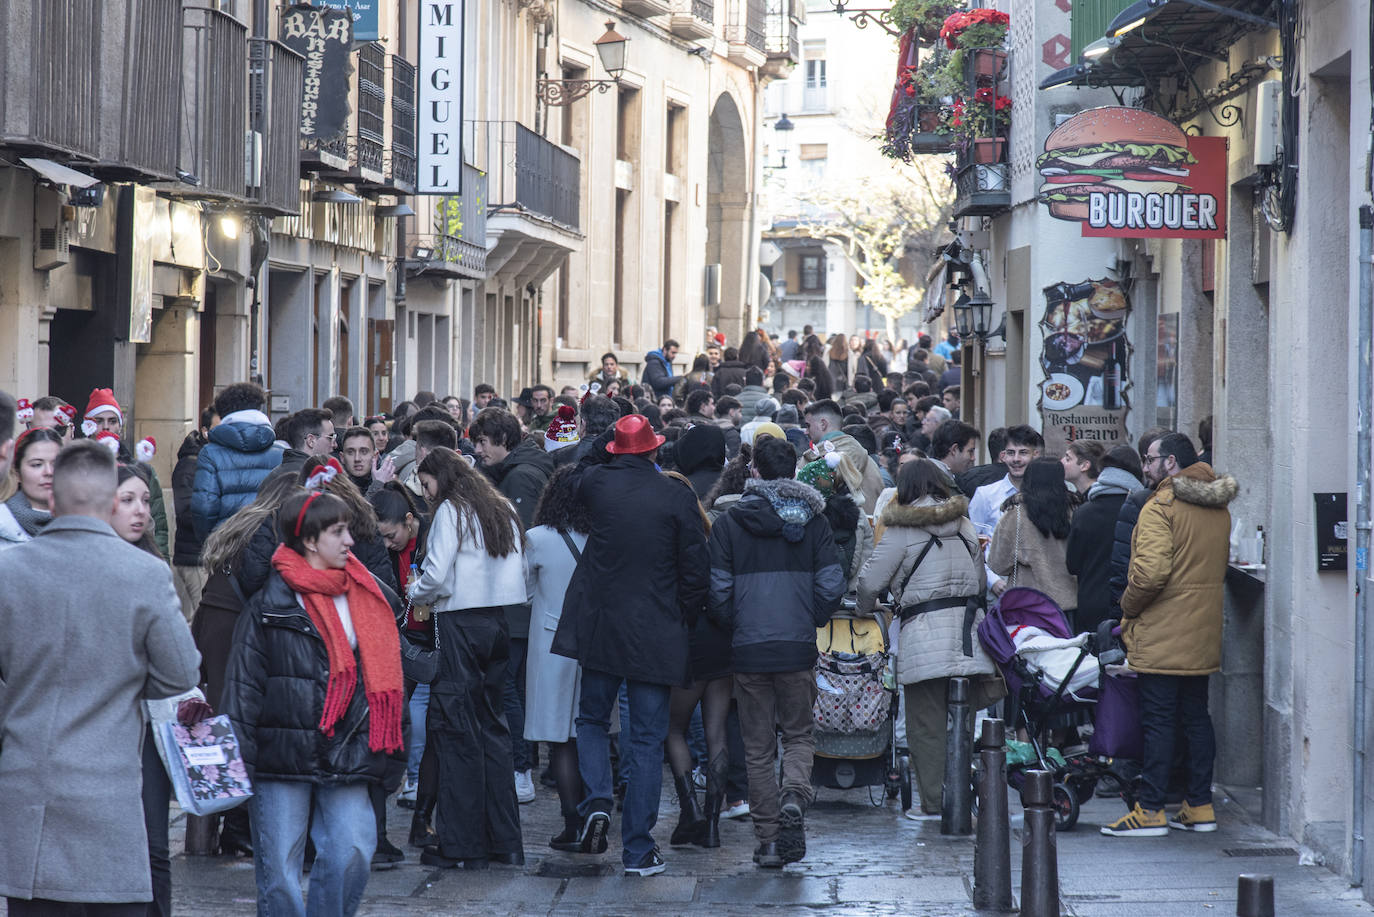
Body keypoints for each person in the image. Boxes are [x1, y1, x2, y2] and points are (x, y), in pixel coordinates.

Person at [0, 440, 201, 915]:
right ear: (111, 499)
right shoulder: (144, 574)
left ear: (52, 498)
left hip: (28, 781)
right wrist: (132, 677)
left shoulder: (9, 570)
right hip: (108, 787)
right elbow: (180, 673)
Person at [223, 488, 406, 913]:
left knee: (353, 851)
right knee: (279, 875)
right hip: (279, 755)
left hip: (346, 752)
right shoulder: (268, 605)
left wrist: (393, 754)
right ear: (308, 540)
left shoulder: (366, 596)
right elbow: (243, 688)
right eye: (338, 532)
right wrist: (239, 760)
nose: (349, 541)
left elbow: (387, 684)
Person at [551, 414, 709, 876]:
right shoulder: (676, 495)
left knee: (592, 719)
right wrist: (685, 616)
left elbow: (573, 466)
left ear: (618, 452)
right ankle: (638, 850)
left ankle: (599, 799)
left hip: (601, 627)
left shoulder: (598, 482)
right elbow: (695, 571)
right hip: (656, 632)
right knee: (646, 740)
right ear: (655, 451)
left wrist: (606, 443)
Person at [707, 436, 846, 867]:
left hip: (749, 648)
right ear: (794, 472)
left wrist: (736, 623)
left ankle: (768, 840)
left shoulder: (730, 523)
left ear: (754, 472)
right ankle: (794, 796)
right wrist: (811, 618)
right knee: (800, 734)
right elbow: (831, 585)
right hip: (797, 646)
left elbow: (719, 590)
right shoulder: (816, 523)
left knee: (757, 747)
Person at [1103, 433, 1237, 837]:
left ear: (1172, 463)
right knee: (1195, 717)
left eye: (1151, 459)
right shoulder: (1217, 506)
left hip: (1162, 629)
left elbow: (1150, 574)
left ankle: (1150, 810)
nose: (1145, 467)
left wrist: (1127, 608)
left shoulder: (1162, 506)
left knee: (1158, 719)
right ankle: (1198, 805)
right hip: (1201, 629)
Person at [858, 458, 1001, 818]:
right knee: (962, 721)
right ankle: (963, 796)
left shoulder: (901, 530)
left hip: (923, 636)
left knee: (925, 726)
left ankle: (935, 804)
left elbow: (870, 582)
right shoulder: (965, 525)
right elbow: (980, 581)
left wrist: (866, 607)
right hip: (968, 635)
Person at [408, 448, 527, 868]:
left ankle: (462, 846)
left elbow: (436, 575)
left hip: (459, 623)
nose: (425, 494)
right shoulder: (502, 507)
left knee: (457, 730)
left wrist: (414, 589)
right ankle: (505, 842)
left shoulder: (450, 512)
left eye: (425, 484)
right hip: (498, 622)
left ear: (440, 476)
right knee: (494, 730)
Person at [661, 470, 734, 850]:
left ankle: (690, 810)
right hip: (721, 640)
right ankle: (712, 824)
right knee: (716, 731)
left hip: (688, 642)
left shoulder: (667, 540)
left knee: (672, 729)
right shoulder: (714, 533)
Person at [523, 466, 592, 851]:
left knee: (559, 738)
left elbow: (524, 591)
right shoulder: (601, 534)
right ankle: (594, 810)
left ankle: (572, 822)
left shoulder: (536, 539)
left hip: (551, 644)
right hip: (595, 642)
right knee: (590, 732)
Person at [368, 482, 434, 823]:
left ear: (410, 521)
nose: (386, 543)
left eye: (391, 535)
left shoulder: (433, 536)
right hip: (404, 638)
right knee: (407, 708)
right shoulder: (388, 552)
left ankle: (418, 777)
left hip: (432, 636)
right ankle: (411, 775)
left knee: (421, 709)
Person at [81, 388, 172, 558]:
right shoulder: (76, 468)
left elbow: (159, 526)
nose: (106, 426)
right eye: (99, 420)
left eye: (112, 420)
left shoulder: (143, 470)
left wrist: (161, 562)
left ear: (120, 426)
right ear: (88, 426)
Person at [1066, 445, 1143, 635]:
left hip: (1091, 600)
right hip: (1132, 600)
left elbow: (1072, 565)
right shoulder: (1144, 510)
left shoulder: (1083, 513)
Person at [987, 458, 1077, 620]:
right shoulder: (1076, 510)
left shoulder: (1016, 514)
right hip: (1070, 603)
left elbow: (997, 564)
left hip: (1027, 605)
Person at [192, 383, 284, 537]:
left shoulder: (210, 453)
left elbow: (204, 508)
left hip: (225, 544)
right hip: (270, 544)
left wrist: (211, 545)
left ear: (223, 414)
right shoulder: (281, 453)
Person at [968, 425, 1042, 594]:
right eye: (1011, 453)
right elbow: (972, 545)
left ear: (1035, 455)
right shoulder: (986, 495)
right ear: (1003, 456)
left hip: (1037, 587)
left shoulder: (1044, 495)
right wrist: (992, 581)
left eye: (1023, 452)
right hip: (998, 586)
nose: (1016, 459)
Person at [171, 407, 218, 620]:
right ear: (206, 431)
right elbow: (186, 511)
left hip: (200, 556)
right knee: (201, 620)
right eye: (219, 429)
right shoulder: (190, 465)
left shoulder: (209, 460)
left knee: (187, 618)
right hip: (194, 558)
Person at [802, 399, 885, 513]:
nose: (806, 432)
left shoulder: (812, 462)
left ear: (823, 424)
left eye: (808, 426)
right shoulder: (869, 461)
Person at [1, 427, 60, 548]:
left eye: (56, 464)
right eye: (37, 465)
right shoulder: (3, 524)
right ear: (17, 473)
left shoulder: (84, 522)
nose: (49, 472)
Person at [930, 420, 980, 495]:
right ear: (954, 450)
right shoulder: (933, 482)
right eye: (970, 451)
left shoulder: (938, 478)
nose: (973, 458)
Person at [339, 425, 378, 493]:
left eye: (364, 452)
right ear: (342, 457)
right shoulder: (333, 489)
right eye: (350, 452)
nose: (357, 459)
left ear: (375, 456)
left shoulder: (388, 486)